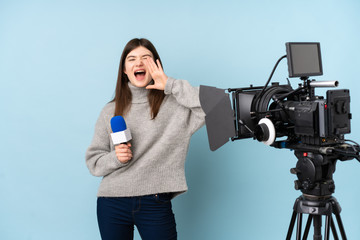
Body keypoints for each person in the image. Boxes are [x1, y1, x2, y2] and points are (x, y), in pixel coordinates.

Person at [85, 38, 205, 240]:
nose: (138, 63)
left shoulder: (177, 105)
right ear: (124, 69)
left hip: (155, 201)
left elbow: (215, 105)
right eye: (132, 59)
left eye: (145, 58)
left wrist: (170, 84)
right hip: (111, 201)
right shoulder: (110, 111)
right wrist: (116, 158)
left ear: (156, 65)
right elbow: (93, 161)